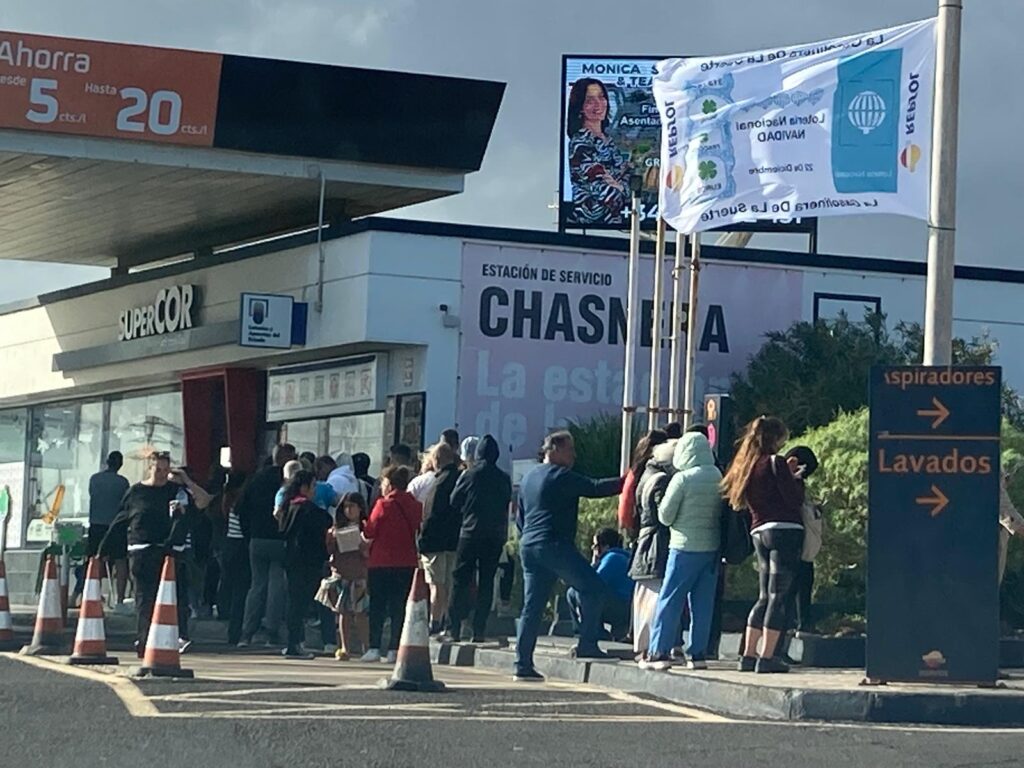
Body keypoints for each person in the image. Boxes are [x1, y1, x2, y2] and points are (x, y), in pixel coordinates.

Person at [514, 431, 623, 681]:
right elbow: (595, 488)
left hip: (529, 545)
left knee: (532, 606)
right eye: (569, 449)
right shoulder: (559, 476)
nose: (574, 455)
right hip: (553, 545)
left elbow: (521, 519)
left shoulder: (529, 478)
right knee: (594, 588)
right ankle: (587, 644)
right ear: (554, 449)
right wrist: (628, 480)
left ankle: (522, 663)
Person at [99, 452, 212, 656]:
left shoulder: (178, 491)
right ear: (149, 469)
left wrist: (186, 480)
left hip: (170, 552)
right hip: (142, 550)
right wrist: (104, 549)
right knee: (145, 598)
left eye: (165, 470)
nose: (161, 474)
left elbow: (204, 501)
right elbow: (120, 520)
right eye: (157, 469)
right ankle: (144, 640)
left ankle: (177, 638)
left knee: (176, 597)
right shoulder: (136, 492)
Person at [721, 416, 804, 674]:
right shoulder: (775, 462)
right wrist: (795, 477)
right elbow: (793, 499)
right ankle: (767, 658)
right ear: (775, 438)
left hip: (759, 531)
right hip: (785, 530)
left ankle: (748, 654)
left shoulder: (745, 465)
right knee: (779, 596)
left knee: (763, 596)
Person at [640, 432, 723, 671]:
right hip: (711, 547)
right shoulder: (717, 476)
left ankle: (659, 652)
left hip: (684, 547)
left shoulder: (682, 479)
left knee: (670, 599)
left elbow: (665, 517)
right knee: (703, 603)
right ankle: (697, 654)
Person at [445, 435, 513, 642]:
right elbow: (506, 500)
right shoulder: (503, 478)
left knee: (460, 579)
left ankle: (453, 628)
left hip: (470, 531)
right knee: (486, 581)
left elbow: (454, 500)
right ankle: (479, 630)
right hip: (494, 535)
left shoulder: (469, 474)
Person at [237, 443, 297, 648]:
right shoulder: (289, 482)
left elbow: (240, 508)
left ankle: (247, 632)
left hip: (257, 538)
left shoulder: (256, 479)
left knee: (257, 585)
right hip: (280, 538)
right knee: (277, 584)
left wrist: (249, 533)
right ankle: (272, 631)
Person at [361, 464, 423, 663]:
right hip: (406, 562)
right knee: (399, 607)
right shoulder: (414, 504)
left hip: (380, 561)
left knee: (377, 607)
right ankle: (394, 648)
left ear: (389, 483)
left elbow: (370, 531)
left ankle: (374, 647)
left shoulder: (383, 504)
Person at [277, 470, 332, 659]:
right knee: (300, 603)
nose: (314, 490)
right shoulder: (308, 509)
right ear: (304, 487)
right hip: (307, 561)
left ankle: (293, 642)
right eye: (313, 486)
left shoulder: (287, 506)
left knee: (293, 602)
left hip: (291, 559)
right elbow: (324, 523)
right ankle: (296, 644)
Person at [629, 439, 676, 654]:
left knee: (644, 597)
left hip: (644, 542)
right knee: (656, 597)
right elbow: (664, 515)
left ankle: (643, 645)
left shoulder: (645, 477)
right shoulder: (662, 481)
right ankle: (651, 646)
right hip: (656, 544)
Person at [565, 78, 630, 226]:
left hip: (617, 221)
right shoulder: (580, 145)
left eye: (601, 97)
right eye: (590, 100)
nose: (598, 104)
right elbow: (605, 193)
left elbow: (630, 177)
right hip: (592, 219)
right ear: (580, 107)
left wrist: (619, 184)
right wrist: (621, 187)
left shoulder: (609, 141)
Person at [417, 442, 462, 633]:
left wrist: (422, 541)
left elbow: (431, 514)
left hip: (435, 542)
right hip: (455, 541)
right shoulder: (460, 478)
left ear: (436, 460)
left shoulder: (439, 482)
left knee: (437, 586)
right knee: (449, 585)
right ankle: (446, 622)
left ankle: (434, 623)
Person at [568, 528, 633, 642]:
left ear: (605, 547)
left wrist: (593, 563)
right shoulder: (623, 556)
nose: (593, 550)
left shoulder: (612, 558)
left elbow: (591, 584)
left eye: (595, 546)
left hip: (621, 608)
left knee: (573, 592)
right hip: (626, 607)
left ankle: (589, 631)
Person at [326, 492, 370, 660]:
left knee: (361, 613)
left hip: (359, 573)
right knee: (343, 612)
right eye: (346, 506)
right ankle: (345, 648)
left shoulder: (365, 526)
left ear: (360, 508)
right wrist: (332, 539)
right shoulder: (336, 528)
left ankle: (366, 647)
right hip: (342, 573)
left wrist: (362, 545)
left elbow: (368, 550)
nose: (348, 510)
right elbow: (330, 551)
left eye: (352, 506)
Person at [87, 451, 130, 613]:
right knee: (120, 561)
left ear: (107, 462)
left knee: (96, 559)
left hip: (96, 523)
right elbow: (125, 503)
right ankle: (119, 599)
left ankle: (94, 595)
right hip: (116, 525)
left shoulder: (95, 479)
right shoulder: (122, 482)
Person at [784, 445, 821, 635]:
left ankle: (799, 624)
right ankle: (799, 624)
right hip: (791, 536)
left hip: (788, 536)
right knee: (793, 587)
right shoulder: (789, 480)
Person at [216, 471, 250, 646]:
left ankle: (223, 611)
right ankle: (235, 630)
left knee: (227, 582)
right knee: (240, 590)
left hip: (229, 544)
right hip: (241, 547)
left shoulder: (227, 500)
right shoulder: (243, 501)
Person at [618, 431, 668, 535]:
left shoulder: (634, 472)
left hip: (637, 527)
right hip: (654, 528)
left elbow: (626, 502)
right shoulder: (659, 470)